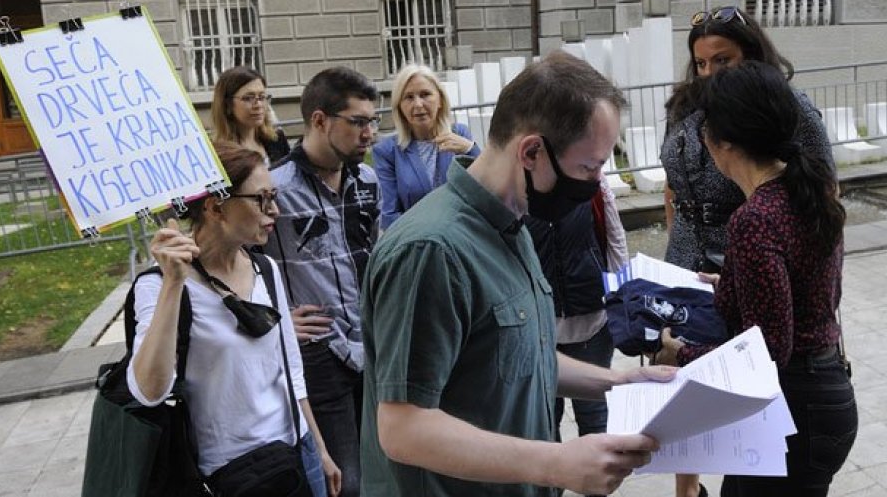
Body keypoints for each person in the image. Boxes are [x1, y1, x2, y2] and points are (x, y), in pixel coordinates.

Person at [360, 51, 677, 497]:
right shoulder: (430, 251)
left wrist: (620, 383)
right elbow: (402, 427)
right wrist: (555, 463)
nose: (596, 182)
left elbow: (523, 355)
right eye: (589, 167)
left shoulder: (514, 225)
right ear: (531, 152)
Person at [657, 61, 857, 497]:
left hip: (795, 411)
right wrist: (730, 282)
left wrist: (682, 353)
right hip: (824, 397)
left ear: (724, 140)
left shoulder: (755, 218)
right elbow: (811, 291)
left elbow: (769, 350)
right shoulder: (808, 191)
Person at [126, 144, 340, 497]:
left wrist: (319, 449)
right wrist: (173, 284)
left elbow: (290, 369)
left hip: (296, 455)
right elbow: (149, 391)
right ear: (215, 207)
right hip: (231, 473)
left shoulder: (265, 268)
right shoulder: (158, 284)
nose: (274, 210)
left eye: (273, 197)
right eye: (261, 199)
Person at [263, 67, 381, 497]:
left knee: (383, 466)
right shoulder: (275, 189)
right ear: (319, 120)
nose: (369, 133)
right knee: (345, 481)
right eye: (358, 122)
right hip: (320, 350)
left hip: (373, 342)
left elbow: (375, 252)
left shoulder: (367, 180)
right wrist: (277, 320)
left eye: (373, 121)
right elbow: (245, 267)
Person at [661, 5, 834, 274]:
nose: (708, 73)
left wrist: (811, 273)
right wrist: (674, 242)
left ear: (750, 55)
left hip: (751, 257)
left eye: (722, 60)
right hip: (682, 259)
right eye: (700, 63)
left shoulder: (787, 104)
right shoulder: (684, 107)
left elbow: (826, 189)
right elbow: (672, 184)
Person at [524, 169, 628, 490]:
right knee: (544, 422)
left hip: (592, 319)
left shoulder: (591, 180)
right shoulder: (519, 186)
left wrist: (622, 299)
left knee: (594, 415)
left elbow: (615, 238)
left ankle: (597, 488)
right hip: (539, 326)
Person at [373, 63, 481, 229]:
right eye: (409, 97)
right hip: (415, 239)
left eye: (425, 94)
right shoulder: (387, 151)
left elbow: (485, 188)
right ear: (400, 106)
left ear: (440, 100)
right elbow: (389, 216)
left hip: (462, 235)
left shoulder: (460, 134)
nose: (418, 104)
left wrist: (471, 149)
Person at [211, 66, 291, 166]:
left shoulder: (276, 140)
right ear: (227, 104)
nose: (258, 105)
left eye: (262, 97)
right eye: (248, 98)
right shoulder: (218, 154)